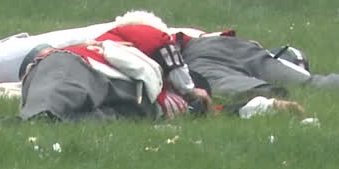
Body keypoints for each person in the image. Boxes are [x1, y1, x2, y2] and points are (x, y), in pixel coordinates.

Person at [17, 18, 210, 122]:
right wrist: (189, 90)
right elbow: (164, 47)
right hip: (85, 67)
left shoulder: (102, 42)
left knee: (57, 109)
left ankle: (43, 119)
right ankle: (44, 117)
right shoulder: (143, 31)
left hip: (60, 66)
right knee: (57, 105)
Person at [180, 31, 339, 98]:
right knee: (311, 83)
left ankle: (263, 94)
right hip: (235, 43)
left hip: (192, 54)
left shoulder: (154, 32)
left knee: (217, 87)